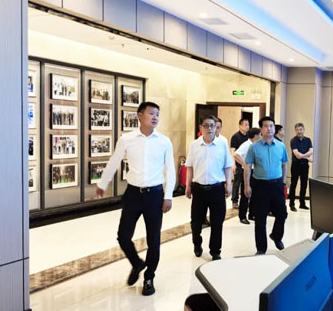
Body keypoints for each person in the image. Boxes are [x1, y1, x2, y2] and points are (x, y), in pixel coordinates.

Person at [96, 101, 175, 296]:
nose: (155, 117)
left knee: (153, 239)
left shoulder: (164, 141)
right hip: (132, 194)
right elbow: (114, 161)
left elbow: (171, 169)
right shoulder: (127, 139)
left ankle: (149, 277)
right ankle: (137, 263)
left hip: (155, 195)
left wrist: (168, 195)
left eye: (157, 114)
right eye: (151, 113)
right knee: (123, 236)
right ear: (140, 115)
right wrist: (102, 184)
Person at [186, 115, 234, 260]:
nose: (209, 129)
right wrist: (188, 185)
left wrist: (229, 184)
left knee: (217, 222)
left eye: (212, 126)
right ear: (201, 128)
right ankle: (197, 243)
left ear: (216, 127)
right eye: (206, 125)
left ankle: (215, 251)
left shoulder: (222, 144)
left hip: (217, 189)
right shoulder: (194, 145)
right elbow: (189, 166)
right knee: (196, 222)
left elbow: (227, 166)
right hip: (199, 189)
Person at [244, 116, 289, 255]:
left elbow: (284, 164)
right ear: (261, 129)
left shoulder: (281, 146)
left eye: (271, 126)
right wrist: (247, 185)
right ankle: (261, 248)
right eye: (266, 126)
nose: (269, 129)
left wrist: (283, 182)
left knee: (282, 214)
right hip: (260, 186)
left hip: (277, 185)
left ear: (274, 128)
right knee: (260, 218)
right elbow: (247, 166)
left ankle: (276, 236)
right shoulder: (254, 147)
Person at [234, 128, 261, 224]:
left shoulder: (256, 145)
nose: (261, 136)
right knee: (245, 194)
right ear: (255, 136)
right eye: (259, 135)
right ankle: (242, 216)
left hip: (255, 171)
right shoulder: (246, 144)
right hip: (247, 171)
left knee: (255, 194)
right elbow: (236, 154)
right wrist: (244, 164)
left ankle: (252, 214)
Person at [289, 122, 313, 212]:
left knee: (304, 184)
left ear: (304, 130)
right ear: (295, 131)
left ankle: (302, 203)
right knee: (293, 184)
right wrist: (307, 157)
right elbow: (296, 154)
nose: (299, 131)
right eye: (297, 130)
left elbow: (311, 151)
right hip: (296, 165)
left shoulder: (308, 140)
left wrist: (303, 156)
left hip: (305, 165)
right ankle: (292, 204)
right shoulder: (293, 141)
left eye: (301, 129)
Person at [230, 118, 250, 209]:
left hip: (246, 164)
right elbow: (232, 151)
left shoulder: (248, 137)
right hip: (238, 163)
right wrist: (233, 164)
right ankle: (234, 201)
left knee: (245, 182)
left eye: (248, 125)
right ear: (240, 126)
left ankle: (245, 201)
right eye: (245, 125)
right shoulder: (235, 137)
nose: (247, 127)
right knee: (237, 183)